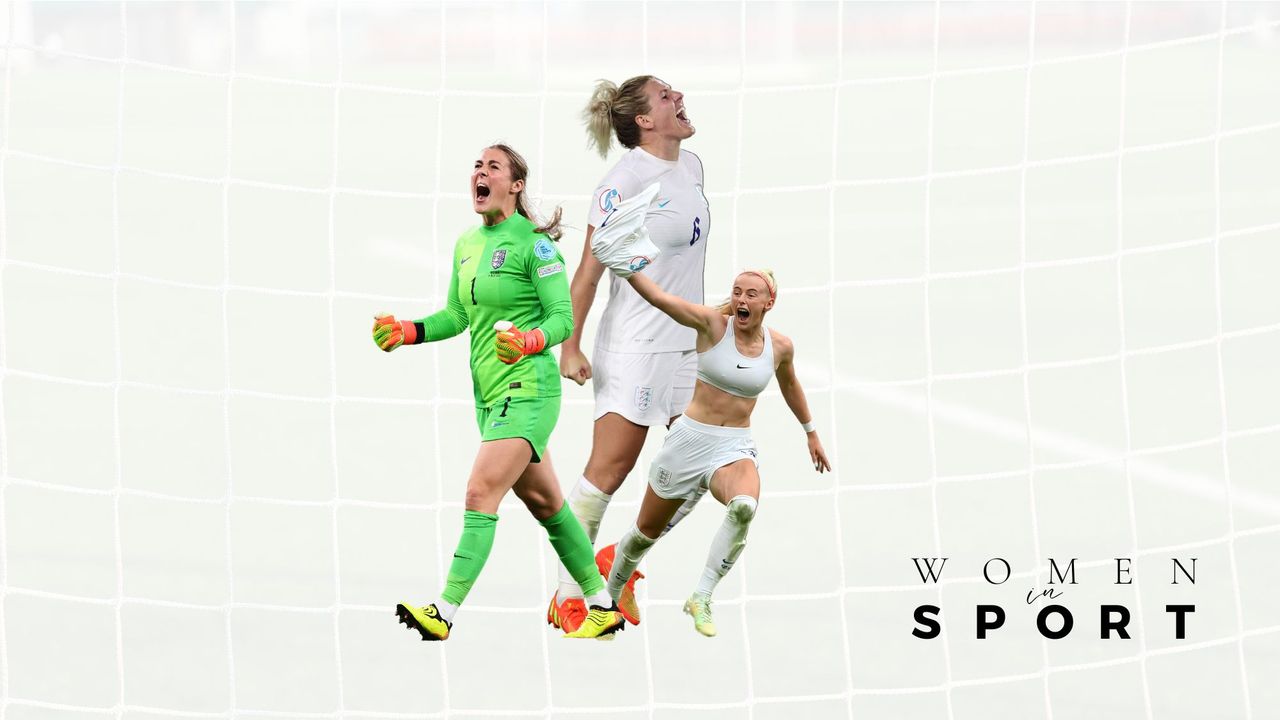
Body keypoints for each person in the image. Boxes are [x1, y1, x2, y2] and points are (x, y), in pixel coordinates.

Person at [374, 143, 624, 641]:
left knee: (479, 491)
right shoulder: (467, 243)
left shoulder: (536, 243)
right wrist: (410, 330)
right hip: (488, 397)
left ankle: (444, 611)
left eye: (493, 167)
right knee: (550, 507)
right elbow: (458, 316)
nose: (480, 174)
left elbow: (562, 318)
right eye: (476, 167)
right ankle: (601, 604)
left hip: (529, 390)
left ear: (515, 185)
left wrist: (529, 341)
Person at [588, 196, 832, 637]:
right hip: (687, 441)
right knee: (643, 535)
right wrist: (623, 266)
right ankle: (613, 592)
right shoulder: (711, 326)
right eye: (736, 292)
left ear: (768, 302)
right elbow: (661, 299)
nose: (741, 299)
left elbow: (790, 385)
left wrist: (810, 433)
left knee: (743, 507)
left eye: (750, 294)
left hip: (733, 447)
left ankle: (701, 595)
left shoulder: (781, 347)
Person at [549, 74, 710, 633]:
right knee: (610, 471)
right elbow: (589, 275)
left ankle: (615, 562)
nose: (680, 97)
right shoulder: (624, 181)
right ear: (643, 119)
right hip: (635, 347)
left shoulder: (690, 168)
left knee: (704, 468)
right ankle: (569, 595)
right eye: (667, 96)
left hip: (687, 346)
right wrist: (568, 346)